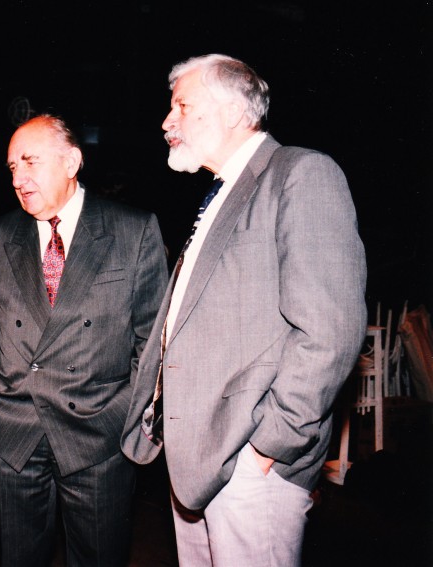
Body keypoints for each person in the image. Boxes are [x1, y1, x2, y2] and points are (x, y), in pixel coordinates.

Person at [122, 54, 368, 566]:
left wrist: (268, 448)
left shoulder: (301, 173)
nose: (167, 121)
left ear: (233, 111)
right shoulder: (222, 192)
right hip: (196, 463)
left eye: (182, 106)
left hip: (248, 466)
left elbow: (330, 332)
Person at [0, 114, 168, 566]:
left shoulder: (132, 230)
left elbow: (153, 341)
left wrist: (120, 416)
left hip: (97, 436)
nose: (18, 178)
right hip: (11, 433)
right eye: (12, 167)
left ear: (71, 162)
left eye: (30, 162)